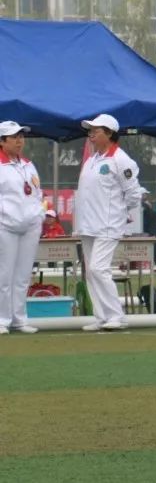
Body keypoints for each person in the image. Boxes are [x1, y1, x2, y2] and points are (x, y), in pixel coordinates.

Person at [75, 113, 144, 333]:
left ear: (109, 134)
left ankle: (117, 315)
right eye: (90, 131)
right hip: (87, 225)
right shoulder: (91, 160)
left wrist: (118, 213)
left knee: (99, 268)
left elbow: (133, 194)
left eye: (96, 131)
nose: (91, 135)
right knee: (91, 271)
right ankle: (101, 316)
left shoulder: (121, 160)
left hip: (107, 224)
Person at [0, 121, 44, 334]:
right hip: (5, 226)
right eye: (13, 137)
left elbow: (37, 192)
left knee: (23, 275)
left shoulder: (28, 164)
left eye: (21, 136)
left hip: (30, 226)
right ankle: (2, 319)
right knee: (4, 275)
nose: (19, 141)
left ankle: (19, 319)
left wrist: (38, 216)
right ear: (2, 141)